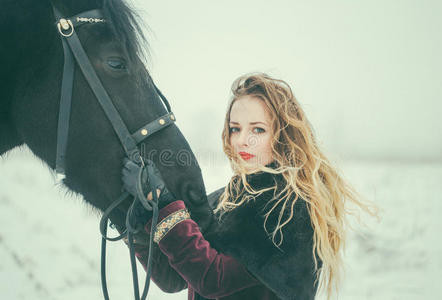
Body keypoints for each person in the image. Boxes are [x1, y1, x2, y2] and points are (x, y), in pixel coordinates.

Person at [122, 73, 378, 300]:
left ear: (282, 134)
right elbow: (173, 279)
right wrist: (139, 224)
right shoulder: (226, 199)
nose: (242, 140)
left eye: (257, 129)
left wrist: (166, 205)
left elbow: (213, 278)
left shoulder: (291, 209)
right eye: (235, 129)